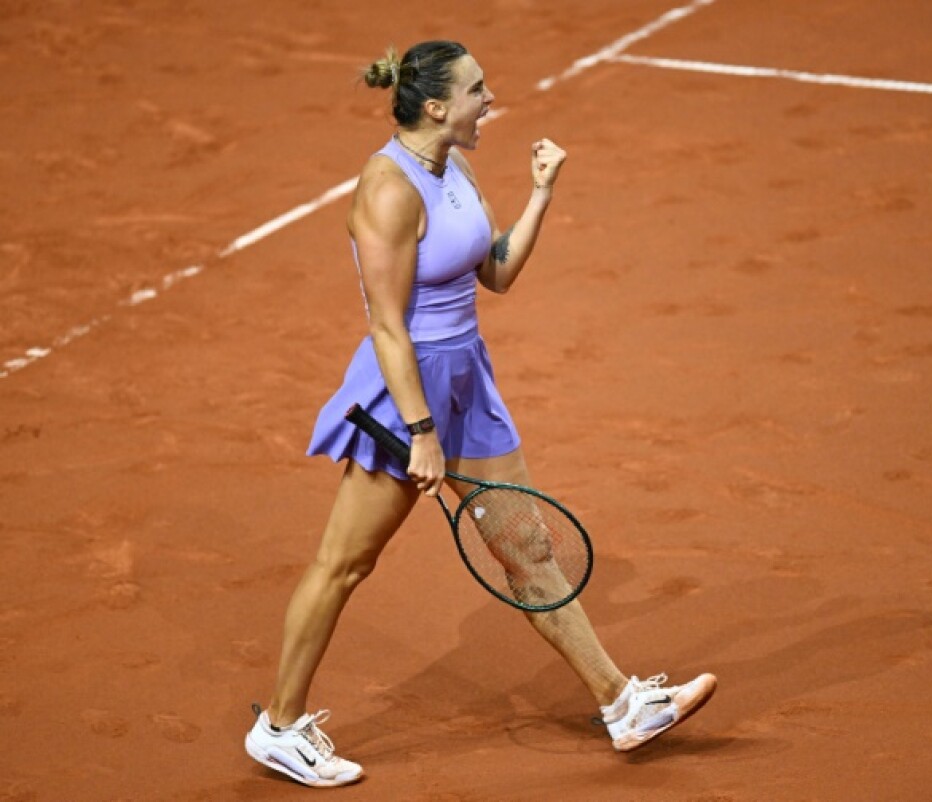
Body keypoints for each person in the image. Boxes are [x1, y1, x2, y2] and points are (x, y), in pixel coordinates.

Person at [243, 40, 717, 788]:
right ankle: (279, 727)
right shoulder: (387, 189)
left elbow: (494, 272)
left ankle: (621, 703)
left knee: (527, 548)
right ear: (436, 106)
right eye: (477, 91)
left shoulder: (454, 168)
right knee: (345, 564)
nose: (489, 102)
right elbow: (388, 326)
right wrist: (421, 433)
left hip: (468, 382)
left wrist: (540, 195)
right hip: (406, 398)